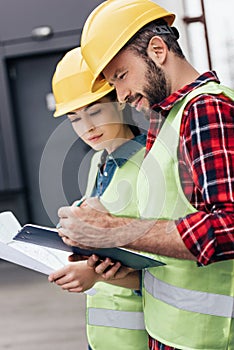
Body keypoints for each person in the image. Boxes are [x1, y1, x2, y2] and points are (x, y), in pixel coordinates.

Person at [57, 1, 234, 350]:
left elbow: (229, 226)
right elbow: (168, 233)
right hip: (167, 332)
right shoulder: (166, 122)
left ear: (158, 50)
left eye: (121, 76)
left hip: (207, 339)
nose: (121, 95)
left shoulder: (206, 110)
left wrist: (109, 230)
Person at [49, 47, 149, 350]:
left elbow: (166, 267)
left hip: (139, 335)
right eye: (75, 119)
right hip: (103, 337)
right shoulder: (99, 162)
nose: (87, 128)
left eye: (94, 112)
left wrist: (94, 274)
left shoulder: (151, 166)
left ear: (119, 103)